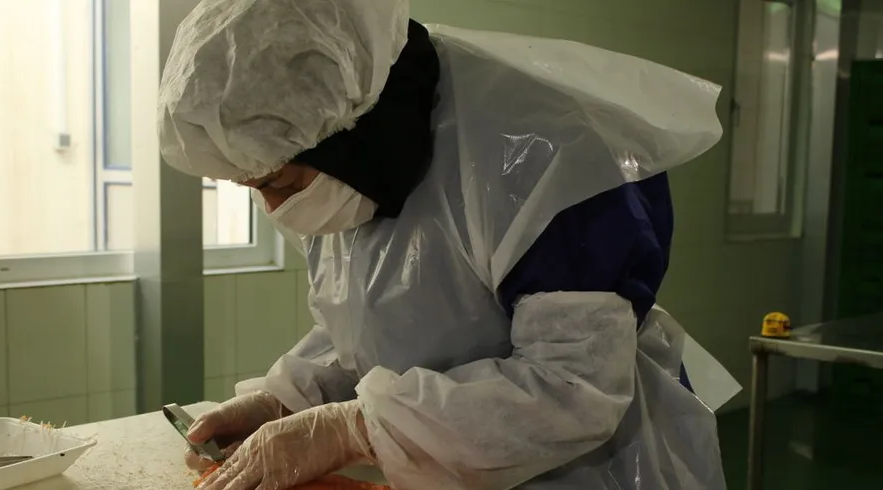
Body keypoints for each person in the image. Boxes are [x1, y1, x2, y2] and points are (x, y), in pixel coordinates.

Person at [158, 1, 735, 489]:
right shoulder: (359, 152)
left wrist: (349, 428)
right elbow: (374, 326)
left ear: (347, 133)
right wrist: (288, 400)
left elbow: (572, 389)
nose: (275, 208)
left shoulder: (543, 150)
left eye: (277, 182)